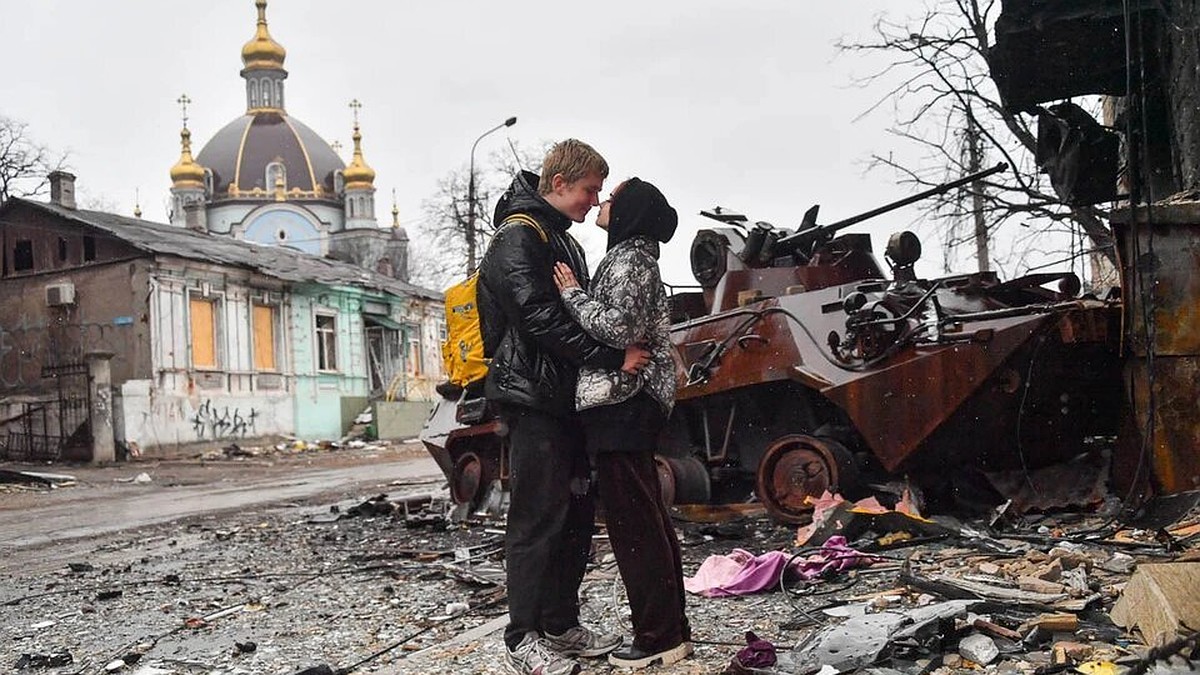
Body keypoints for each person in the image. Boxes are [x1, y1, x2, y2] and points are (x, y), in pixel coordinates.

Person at [477, 139, 650, 675]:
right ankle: (521, 637)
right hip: (533, 399)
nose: (593, 202)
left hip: (567, 398)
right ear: (558, 185)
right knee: (535, 517)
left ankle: (559, 623)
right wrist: (611, 358)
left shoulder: (563, 242)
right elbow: (540, 320)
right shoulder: (517, 239)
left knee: (574, 514)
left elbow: (582, 311)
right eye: (589, 190)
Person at [552, 177, 691, 669]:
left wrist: (571, 294)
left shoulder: (631, 260)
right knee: (647, 518)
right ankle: (671, 628)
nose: (603, 202)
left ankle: (657, 637)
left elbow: (621, 329)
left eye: (614, 198)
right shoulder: (631, 257)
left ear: (630, 212)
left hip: (624, 401)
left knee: (635, 525)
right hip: (627, 403)